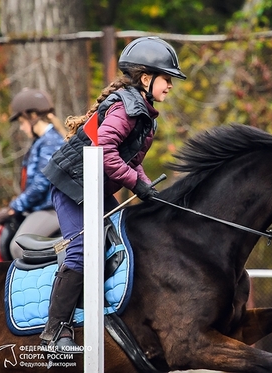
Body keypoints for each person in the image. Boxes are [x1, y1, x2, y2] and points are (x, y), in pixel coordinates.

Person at [39, 36, 187, 352]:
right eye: (167, 79)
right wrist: (136, 182)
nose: (171, 85)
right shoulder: (126, 107)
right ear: (146, 78)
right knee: (81, 251)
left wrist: (148, 188)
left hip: (97, 186)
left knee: (128, 238)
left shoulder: (146, 114)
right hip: (71, 186)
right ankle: (54, 332)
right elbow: (104, 150)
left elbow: (132, 162)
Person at [0, 88, 66, 260]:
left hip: (52, 209)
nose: (21, 127)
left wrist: (13, 208)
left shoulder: (51, 143)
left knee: (19, 247)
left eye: (21, 121)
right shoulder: (40, 142)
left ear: (33, 116)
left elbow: (41, 184)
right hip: (40, 207)